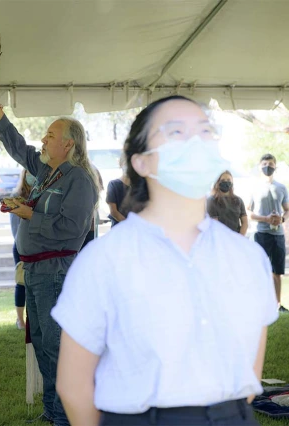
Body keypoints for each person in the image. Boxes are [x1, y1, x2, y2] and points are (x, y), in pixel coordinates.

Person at [51, 95, 278, 426]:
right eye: (176, 132)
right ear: (141, 162)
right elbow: (73, 387)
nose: (195, 143)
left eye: (205, 131)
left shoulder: (248, 257)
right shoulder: (104, 260)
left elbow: (248, 372)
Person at [0, 84, 98, 426]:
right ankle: (52, 411)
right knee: (43, 346)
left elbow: (69, 229)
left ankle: (66, 415)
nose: (44, 141)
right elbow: (19, 148)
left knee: (56, 347)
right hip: (34, 272)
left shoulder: (80, 180)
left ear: (69, 144)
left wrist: (28, 214)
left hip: (56, 272)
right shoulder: (49, 171)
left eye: (50, 135)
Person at [248, 154, 289, 313]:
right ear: (260, 166)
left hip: (278, 235)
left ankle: (278, 305)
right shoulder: (255, 187)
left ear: (275, 167)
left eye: (270, 164)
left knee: (277, 272)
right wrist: (265, 218)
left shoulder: (281, 187)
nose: (267, 166)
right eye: (264, 163)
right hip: (261, 234)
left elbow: (287, 210)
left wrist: (282, 220)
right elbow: (248, 211)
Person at [9, 168, 36, 330]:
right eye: (28, 172)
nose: (31, 176)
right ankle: (20, 320)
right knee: (21, 282)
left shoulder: (43, 194)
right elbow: (15, 227)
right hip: (21, 245)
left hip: (39, 247)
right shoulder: (16, 197)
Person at [207, 170, 248, 235]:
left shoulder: (238, 200)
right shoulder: (212, 200)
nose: (226, 182)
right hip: (220, 240)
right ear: (217, 182)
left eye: (229, 180)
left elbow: (245, 222)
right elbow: (215, 226)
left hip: (236, 239)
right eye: (223, 180)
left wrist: (240, 238)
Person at [106, 157, 130, 227]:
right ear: (120, 164)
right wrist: (129, 225)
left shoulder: (139, 186)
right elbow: (113, 212)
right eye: (126, 163)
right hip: (119, 228)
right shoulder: (113, 185)